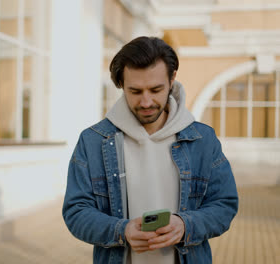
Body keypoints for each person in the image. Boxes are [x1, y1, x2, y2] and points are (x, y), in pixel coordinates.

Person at [62, 36, 238, 264]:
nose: (146, 102)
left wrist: (185, 225)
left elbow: (224, 204)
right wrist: (121, 230)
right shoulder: (93, 141)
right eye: (135, 91)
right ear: (121, 85)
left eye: (156, 89)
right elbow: (76, 212)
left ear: (172, 79)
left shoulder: (203, 139)